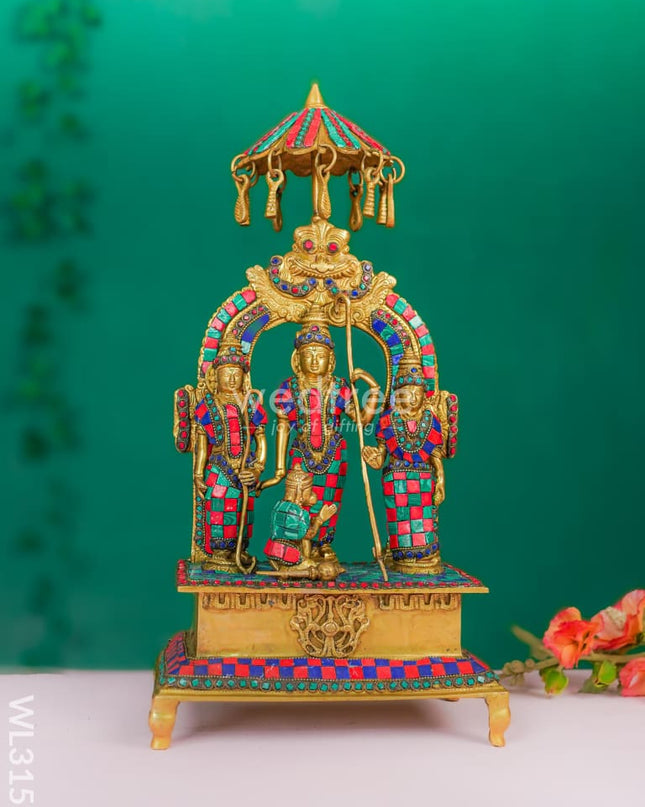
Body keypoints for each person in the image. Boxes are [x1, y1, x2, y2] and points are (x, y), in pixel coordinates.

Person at [259, 318, 380, 558]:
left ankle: (323, 543)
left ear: (331, 360)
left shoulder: (339, 387)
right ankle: (296, 541)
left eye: (320, 355)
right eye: (309, 354)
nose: (315, 360)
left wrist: (373, 388)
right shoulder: (288, 388)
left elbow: (362, 421)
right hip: (301, 452)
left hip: (334, 453)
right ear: (297, 359)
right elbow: (282, 427)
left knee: (329, 498)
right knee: (297, 497)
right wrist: (280, 470)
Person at [362, 357, 445, 573]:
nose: (413, 398)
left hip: (423, 479)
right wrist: (374, 458)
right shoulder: (387, 420)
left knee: (424, 520)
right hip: (397, 480)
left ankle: (425, 554)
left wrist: (440, 481)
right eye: (408, 393)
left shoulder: (430, 420)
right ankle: (400, 555)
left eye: (417, 392)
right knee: (400, 520)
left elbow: (435, 455)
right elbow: (381, 455)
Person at [193, 345, 267, 571]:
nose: (232, 378)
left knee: (244, 508)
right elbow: (202, 446)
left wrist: (257, 469)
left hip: (245, 469)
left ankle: (239, 549)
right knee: (219, 504)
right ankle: (220, 552)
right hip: (219, 468)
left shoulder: (251, 404)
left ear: (244, 377)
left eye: (237, 373)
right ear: (215, 376)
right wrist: (198, 474)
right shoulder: (207, 406)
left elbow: (261, 440)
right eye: (226, 373)